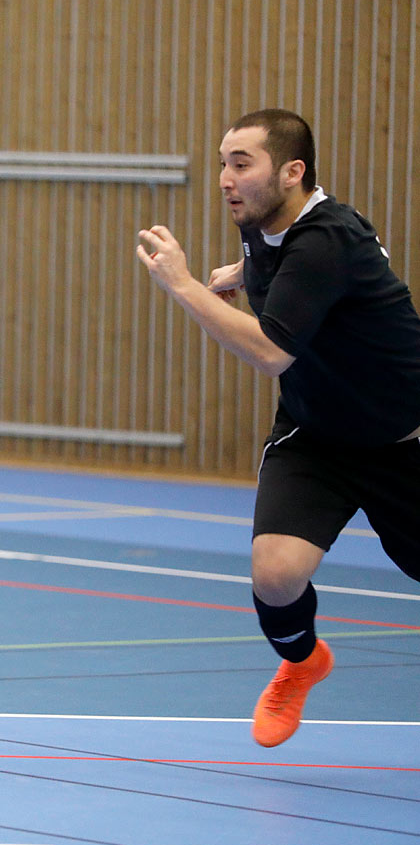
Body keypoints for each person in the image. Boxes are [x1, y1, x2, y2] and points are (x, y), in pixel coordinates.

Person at [136, 108, 420, 747]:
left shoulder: (325, 243)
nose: (224, 179)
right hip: (315, 432)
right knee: (274, 572)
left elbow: (270, 353)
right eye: (221, 163)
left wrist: (183, 284)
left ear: (291, 172)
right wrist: (243, 273)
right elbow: (280, 266)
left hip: (404, 439)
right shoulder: (267, 222)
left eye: (242, 164)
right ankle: (302, 662)